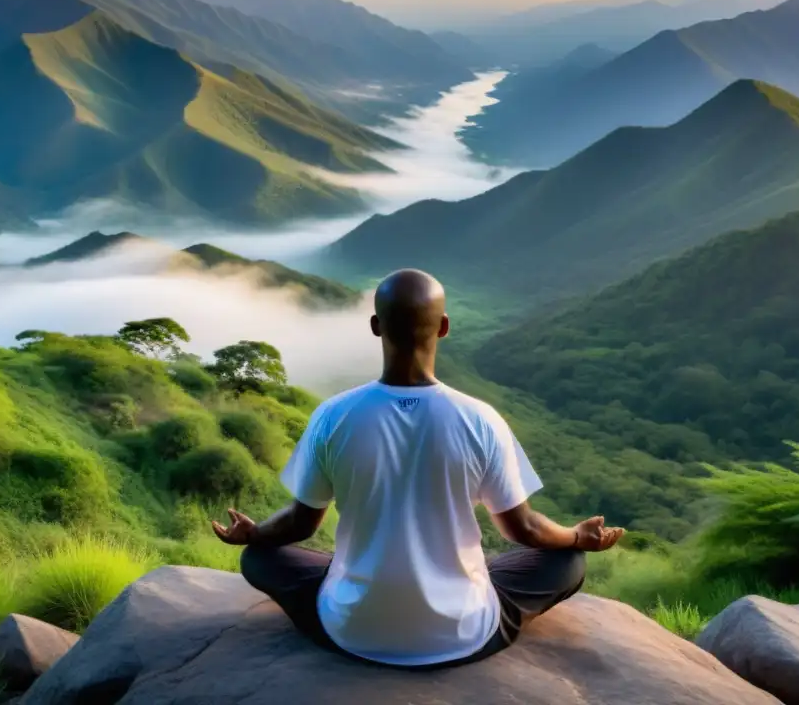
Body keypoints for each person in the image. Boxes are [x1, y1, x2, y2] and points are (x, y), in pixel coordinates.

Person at [211, 268, 625, 670]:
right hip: (464, 633)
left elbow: (301, 524)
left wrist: (256, 534)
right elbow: (524, 531)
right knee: (568, 562)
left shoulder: (333, 416)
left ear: (376, 325)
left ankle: (354, 593)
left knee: (259, 559)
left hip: (353, 630)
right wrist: (576, 536)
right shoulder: (480, 419)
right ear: (443, 326)